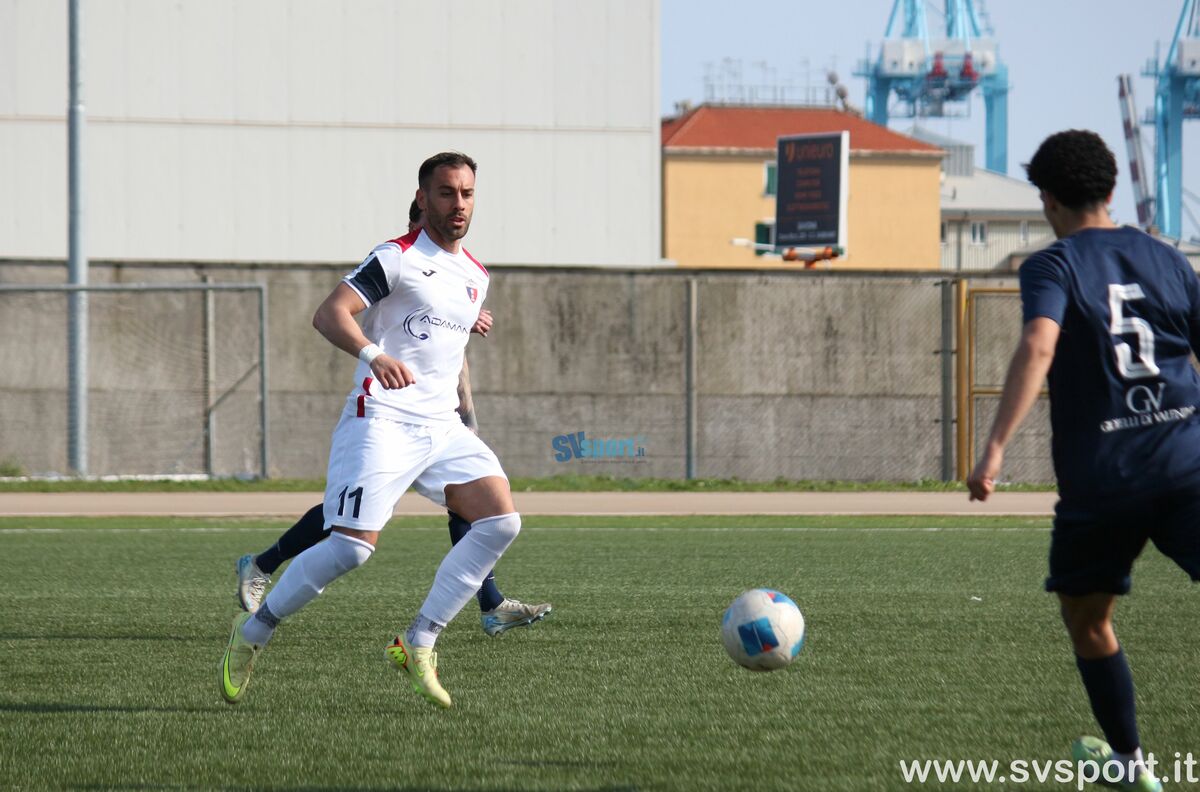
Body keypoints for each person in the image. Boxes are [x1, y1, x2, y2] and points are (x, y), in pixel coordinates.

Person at [222, 152, 538, 710]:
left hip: (441, 426)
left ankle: (419, 642)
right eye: (446, 192)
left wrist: (465, 404)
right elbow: (330, 313)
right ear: (422, 198)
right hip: (384, 419)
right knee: (351, 550)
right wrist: (374, 355)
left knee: (500, 521)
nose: (458, 204)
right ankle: (254, 630)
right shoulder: (396, 257)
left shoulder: (476, 276)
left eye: (466, 193)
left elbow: (444, 342)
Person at [968, 129, 1200, 792]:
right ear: (1111, 187)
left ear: (1047, 198)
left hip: (1105, 482)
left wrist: (993, 448)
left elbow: (1039, 346)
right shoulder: (1167, 257)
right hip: (1187, 463)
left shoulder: (1054, 264)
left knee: (1088, 619)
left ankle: (1129, 763)